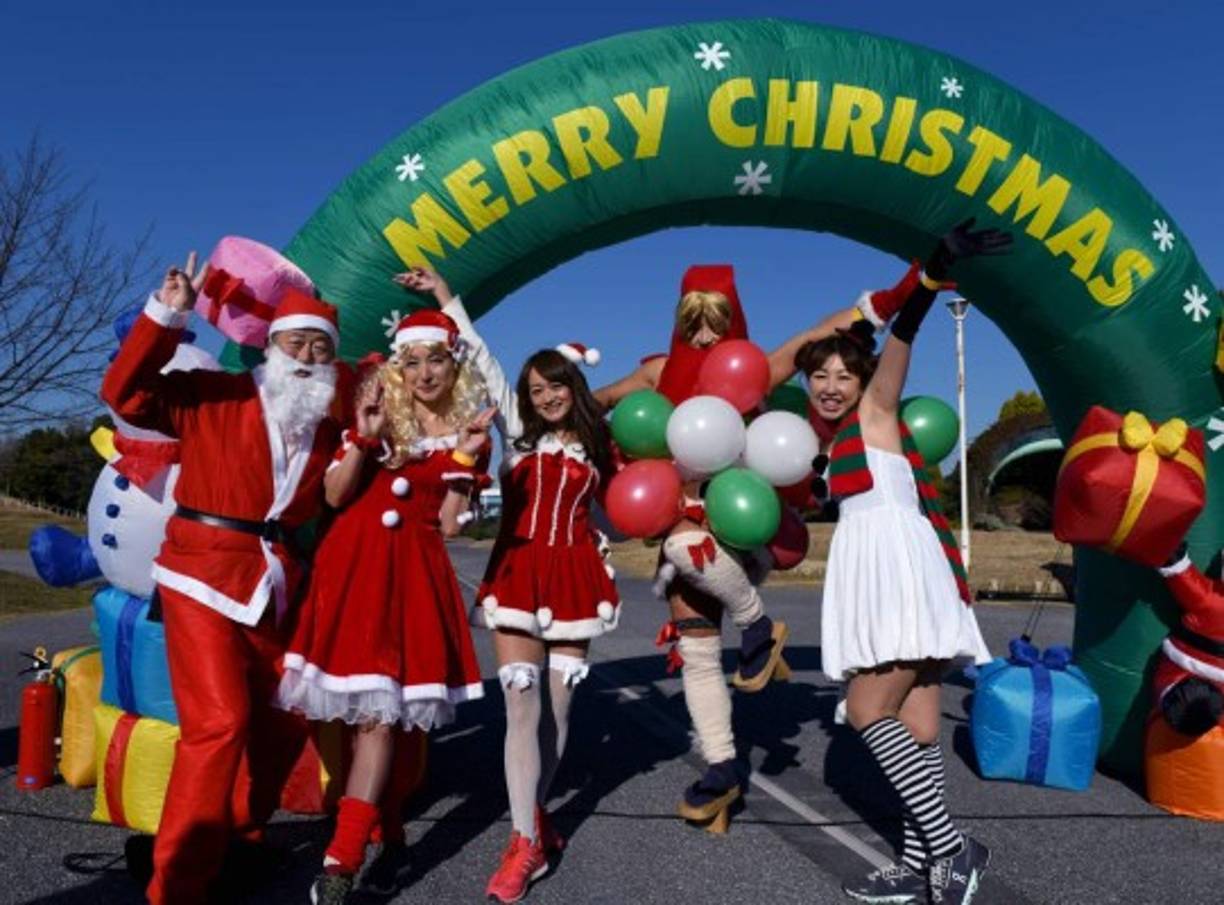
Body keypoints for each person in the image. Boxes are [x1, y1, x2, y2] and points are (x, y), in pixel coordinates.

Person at [592, 264, 914, 830]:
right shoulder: (657, 372)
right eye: (694, 325)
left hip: (744, 522)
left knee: (682, 548)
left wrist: (905, 290)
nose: (704, 337)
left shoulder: (753, 367)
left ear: (732, 323)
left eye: (715, 324)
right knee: (695, 648)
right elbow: (595, 400)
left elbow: (822, 331)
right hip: (681, 513)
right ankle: (721, 767)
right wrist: (547, 409)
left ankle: (755, 623)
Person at [100, 253, 343, 905]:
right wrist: (168, 315)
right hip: (200, 574)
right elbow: (124, 393)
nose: (308, 355)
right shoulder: (213, 394)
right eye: (297, 342)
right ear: (271, 345)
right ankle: (176, 885)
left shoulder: (326, 423)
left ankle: (238, 833)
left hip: (272, 584)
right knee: (219, 723)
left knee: (284, 715)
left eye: (321, 346)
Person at [797, 220, 1010, 905]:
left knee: (866, 710)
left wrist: (932, 272)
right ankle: (920, 869)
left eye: (844, 374)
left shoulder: (876, 412)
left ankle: (951, 849)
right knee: (916, 728)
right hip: (899, 573)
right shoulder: (831, 443)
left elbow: (903, 336)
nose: (832, 385)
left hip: (899, 574)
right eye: (819, 376)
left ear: (863, 380)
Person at [395, 268, 618, 904]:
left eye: (556, 385)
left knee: (560, 710)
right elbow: (481, 355)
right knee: (521, 707)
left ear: (573, 387)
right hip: (517, 573)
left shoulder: (599, 446)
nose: (546, 396)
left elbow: (619, 512)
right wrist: (444, 296)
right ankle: (523, 842)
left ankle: (535, 820)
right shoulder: (518, 430)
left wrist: (606, 541)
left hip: (575, 577)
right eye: (536, 388)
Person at [277, 307, 494, 904]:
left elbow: (449, 525)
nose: (425, 373)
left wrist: (467, 459)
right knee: (363, 718)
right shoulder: (377, 412)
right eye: (413, 361)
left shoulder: (469, 431)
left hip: (412, 580)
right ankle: (388, 831)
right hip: (353, 571)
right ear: (400, 366)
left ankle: (341, 862)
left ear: (454, 365)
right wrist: (365, 437)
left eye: (436, 360)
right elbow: (334, 494)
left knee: (381, 719)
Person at [1155, 542, 1224, 736]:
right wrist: (1174, 561)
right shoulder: (1213, 601)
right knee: (1192, 702)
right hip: (1185, 672)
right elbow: (1189, 584)